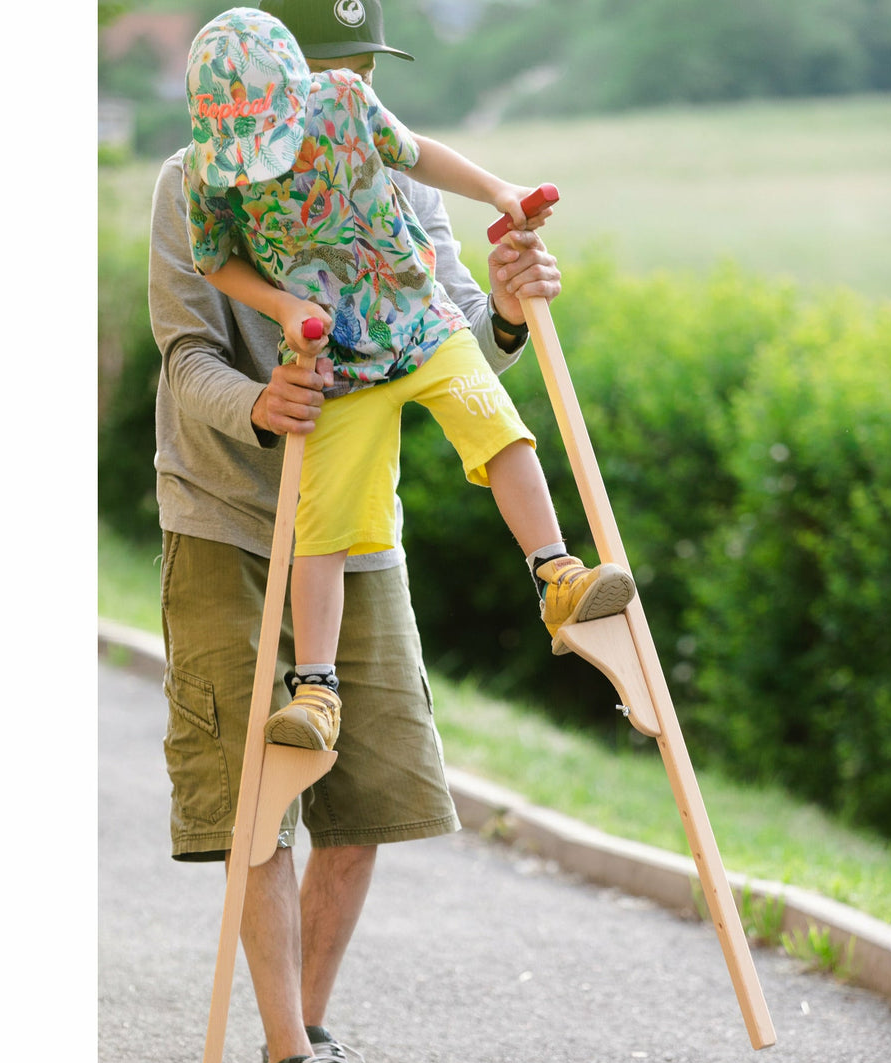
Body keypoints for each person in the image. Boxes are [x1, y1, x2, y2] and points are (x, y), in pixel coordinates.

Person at [149, 0, 564, 1063]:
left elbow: (450, 330)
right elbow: (187, 352)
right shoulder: (196, 180)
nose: (345, 85)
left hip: (353, 520)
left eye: (358, 66)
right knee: (260, 789)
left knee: (365, 787)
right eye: (328, 62)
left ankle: (311, 1031)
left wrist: (513, 305)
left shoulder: (380, 153)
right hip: (228, 515)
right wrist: (262, 400)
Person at [181, 5, 635, 754]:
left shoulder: (344, 103)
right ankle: (317, 694)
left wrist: (497, 192)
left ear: (303, 91)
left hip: (422, 321)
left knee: (498, 430)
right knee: (322, 524)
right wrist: (284, 303)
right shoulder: (209, 172)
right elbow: (215, 261)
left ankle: (557, 578)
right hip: (339, 363)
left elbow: (417, 154)